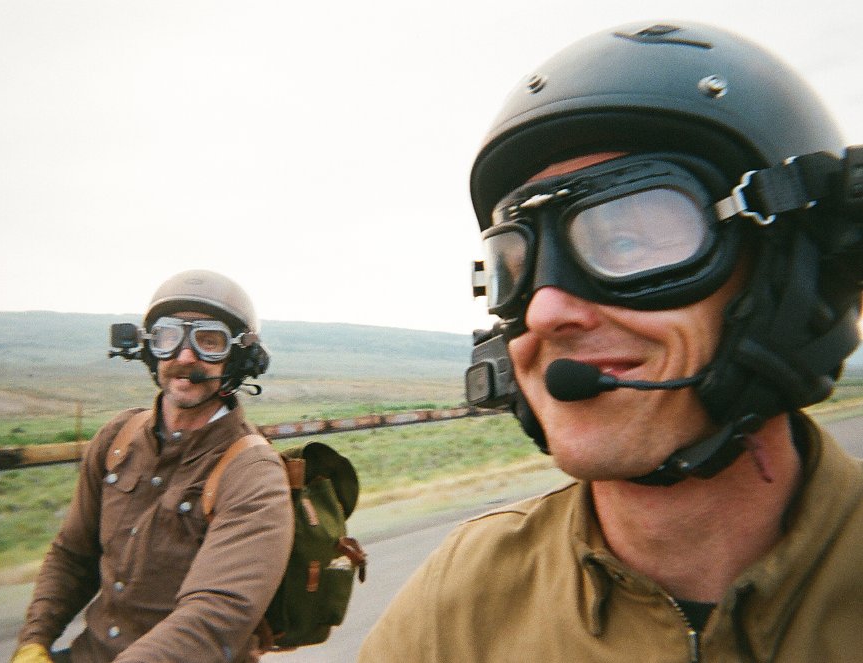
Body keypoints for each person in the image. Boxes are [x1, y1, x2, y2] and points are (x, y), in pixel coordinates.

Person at [360, 21, 863, 661]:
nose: (544, 311)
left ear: (788, 271)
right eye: (518, 267)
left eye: (626, 241)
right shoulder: (460, 607)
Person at [11, 269, 294, 663]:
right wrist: (34, 640)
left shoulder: (254, 473)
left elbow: (214, 616)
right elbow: (72, 555)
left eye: (208, 341)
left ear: (239, 357)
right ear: (149, 349)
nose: (184, 356)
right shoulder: (116, 439)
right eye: (168, 337)